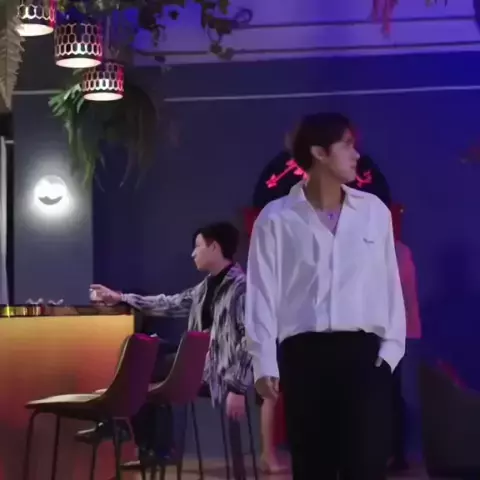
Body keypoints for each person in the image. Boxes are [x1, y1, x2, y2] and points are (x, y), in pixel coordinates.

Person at [245, 112, 406, 480]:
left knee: (365, 467)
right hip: (305, 357)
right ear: (319, 152)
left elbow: (388, 286)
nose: (356, 154)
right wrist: (264, 362)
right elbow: (261, 294)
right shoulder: (275, 218)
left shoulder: (373, 212)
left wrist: (390, 353)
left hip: (364, 357)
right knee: (313, 467)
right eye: (346, 145)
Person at [78, 222, 252, 476]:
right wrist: (121, 297)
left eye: (198, 246)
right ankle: (140, 436)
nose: (193, 253)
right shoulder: (204, 288)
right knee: (142, 349)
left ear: (214, 247)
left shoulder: (242, 288)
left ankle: (133, 430)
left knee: (146, 362)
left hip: (221, 370)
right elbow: (169, 304)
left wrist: (238, 387)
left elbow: (251, 339)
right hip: (198, 362)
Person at [389, 204, 422, 473]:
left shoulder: (399, 252)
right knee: (390, 395)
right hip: (388, 334)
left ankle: (401, 454)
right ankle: (394, 453)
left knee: (401, 395)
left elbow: (401, 295)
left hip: (402, 335)